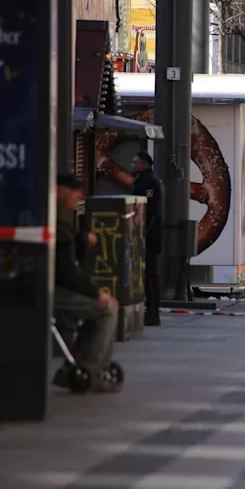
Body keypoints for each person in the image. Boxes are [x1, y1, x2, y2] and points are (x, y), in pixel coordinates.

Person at [52, 174, 122, 393]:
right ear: (60, 190)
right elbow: (65, 270)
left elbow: (65, 258)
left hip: (49, 285)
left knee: (99, 310)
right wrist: (95, 292)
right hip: (49, 289)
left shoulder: (59, 217)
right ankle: (93, 370)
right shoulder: (56, 219)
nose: (78, 198)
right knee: (108, 308)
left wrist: (80, 240)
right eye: (75, 192)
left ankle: (75, 366)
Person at [132, 151, 164, 326]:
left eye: (135, 162)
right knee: (145, 275)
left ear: (143, 164)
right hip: (145, 235)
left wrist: (143, 233)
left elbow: (151, 211)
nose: (133, 165)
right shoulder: (141, 181)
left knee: (150, 275)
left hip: (150, 237)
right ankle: (148, 311)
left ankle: (153, 313)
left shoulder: (150, 182)